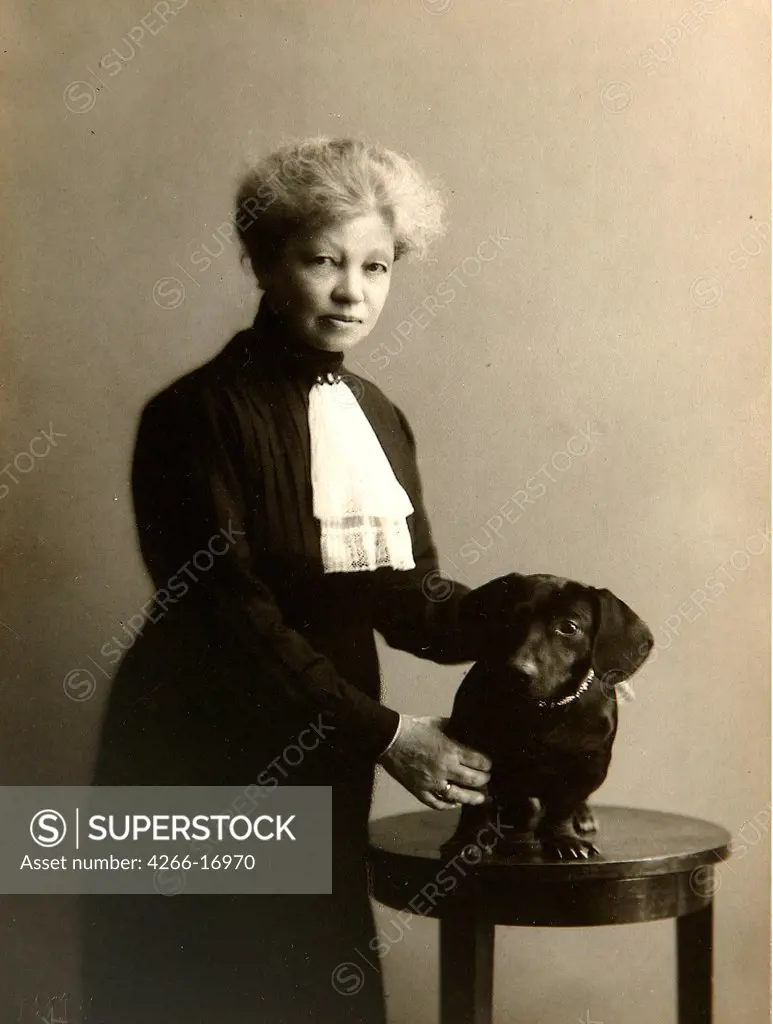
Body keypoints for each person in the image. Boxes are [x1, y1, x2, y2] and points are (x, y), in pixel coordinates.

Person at [83, 137, 492, 1024]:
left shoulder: (375, 416)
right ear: (265, 262)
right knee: (202, 983)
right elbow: (225, 612)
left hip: (323, 746)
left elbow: (405, 595)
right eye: (322, 260)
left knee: (310, 982)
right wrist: (387, 733)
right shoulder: (193, 415)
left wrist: (541, 619)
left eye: (375, 266)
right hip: (198, 742)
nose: (353, 291)